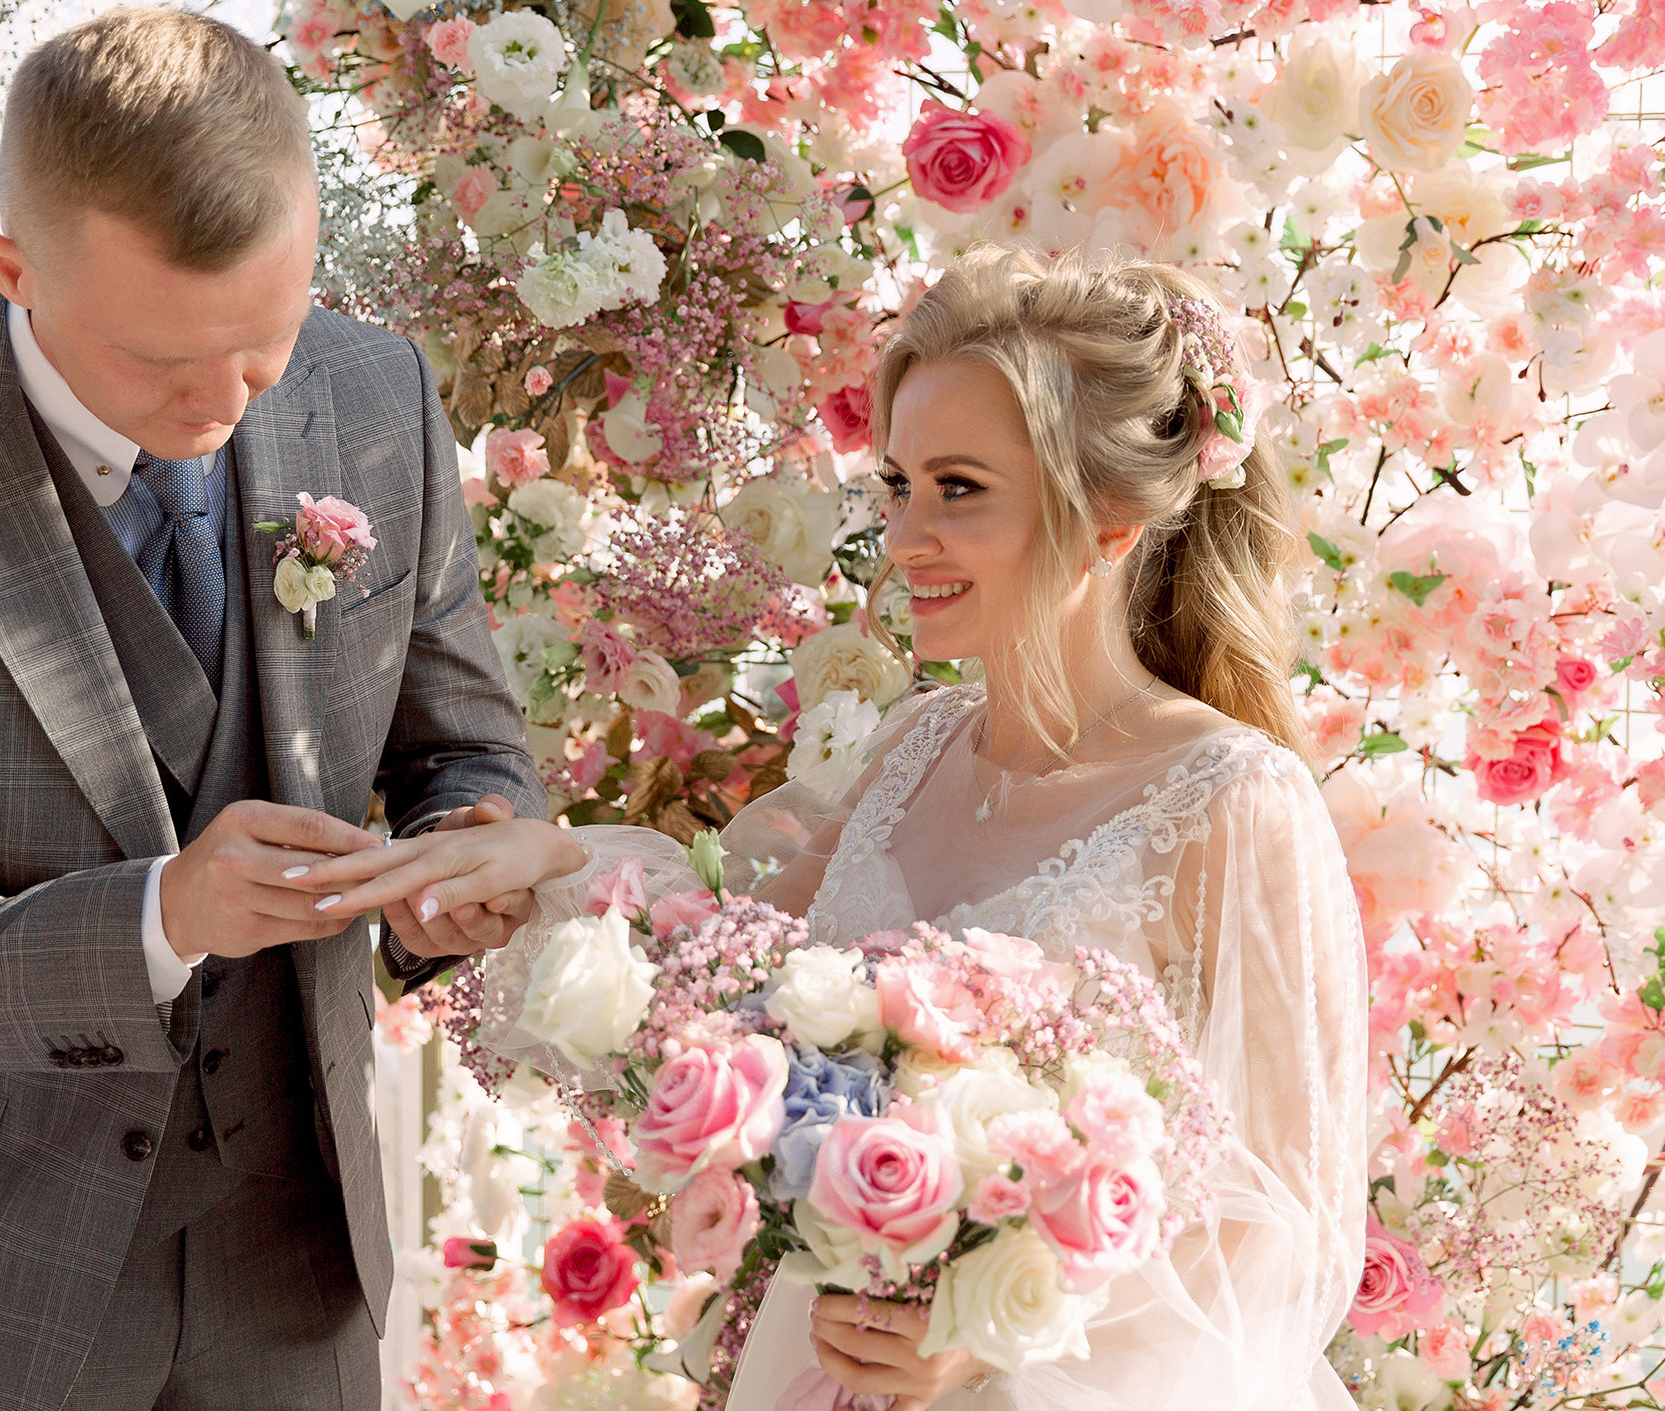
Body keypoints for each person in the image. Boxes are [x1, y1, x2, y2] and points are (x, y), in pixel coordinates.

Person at [315, 248, 1370, 1410]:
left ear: (1111, 516)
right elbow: (721, 942)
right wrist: (544, 860)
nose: (906, 536)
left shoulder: (1235, 800)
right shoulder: (914, 745)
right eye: (898, 485)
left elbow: (1289, 1227)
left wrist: (997, 1323)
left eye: (959, 487)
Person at [0, 7, 559, 1410]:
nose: (229, 401)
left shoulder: (377, 394)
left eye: (265, 341)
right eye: (165, 361)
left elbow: (462, 746)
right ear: (9, 267)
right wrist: (160, 919)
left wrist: (469, 844)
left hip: (297, 1274)